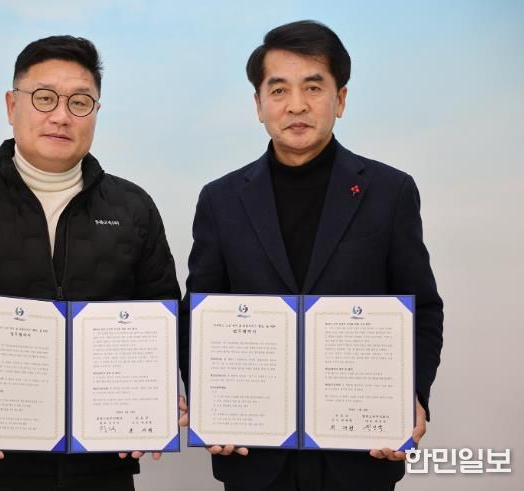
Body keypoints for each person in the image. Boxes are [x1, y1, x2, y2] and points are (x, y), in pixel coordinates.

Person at [0, 35, 180, 491]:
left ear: (96, 113)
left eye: (80, 102)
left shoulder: (133, 208)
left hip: (102, 467)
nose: (61, 115)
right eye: (45, 98)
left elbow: (160, 310)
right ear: (12, 105)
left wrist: (156, 389)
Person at [179, 20, 443, 491]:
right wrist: (207, 403)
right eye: (279, 89)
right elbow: (197, 315)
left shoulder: (390, 192)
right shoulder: (220, 200)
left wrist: (413, 396)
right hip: (253, 455)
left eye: (314, 87)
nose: (296, 105)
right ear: (258, 104)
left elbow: (423, 309)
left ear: (340, 100)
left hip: (360, 454)